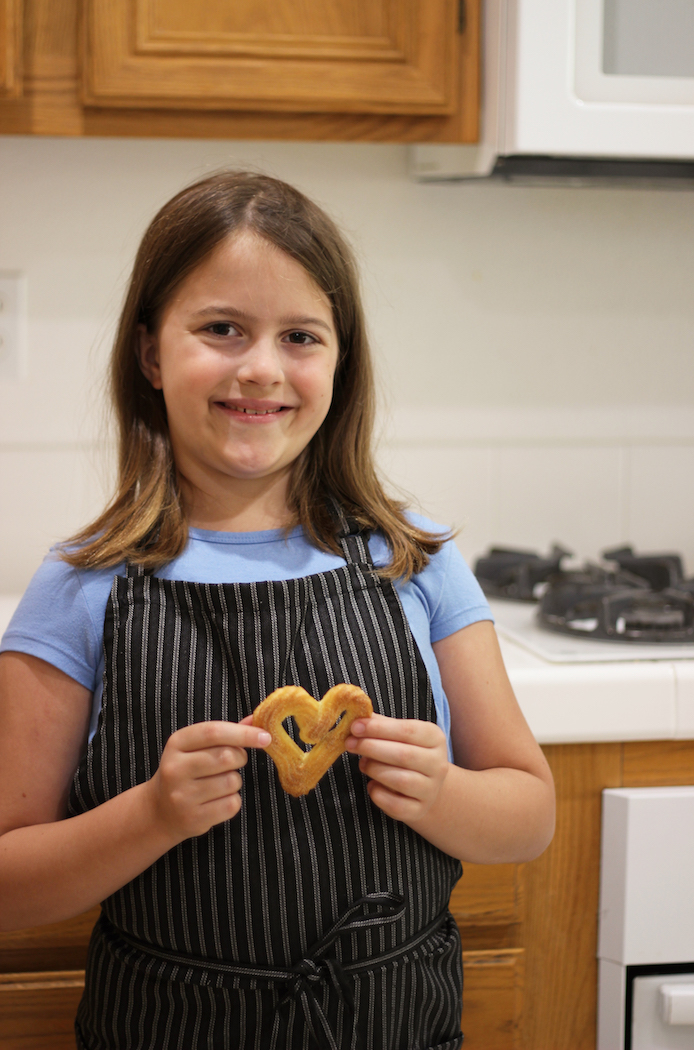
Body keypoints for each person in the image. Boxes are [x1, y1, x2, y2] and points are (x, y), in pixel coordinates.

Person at [0, 171, 555, 1050]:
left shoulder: (414, 558)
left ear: (341, 361)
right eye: (221, 329)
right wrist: (152, 815)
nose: (261, 367)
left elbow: (530, 816)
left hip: (397, 1024)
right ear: (150, 353)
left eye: (300, 335)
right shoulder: (83, 584)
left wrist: (443, 792)